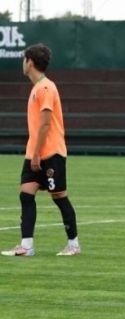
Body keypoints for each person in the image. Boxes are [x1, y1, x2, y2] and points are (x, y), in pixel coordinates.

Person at [2, 43, 81, 257]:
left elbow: (46, 124)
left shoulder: (46, 87)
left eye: (24, 60)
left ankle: (74, 244)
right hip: (34, 152)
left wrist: (37, 153)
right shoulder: (36, 87)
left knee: (59, 197)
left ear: (30, 62)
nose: (23, 63)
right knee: (26, 195)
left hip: (51, 152)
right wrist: (32, 153)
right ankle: (26, 247)